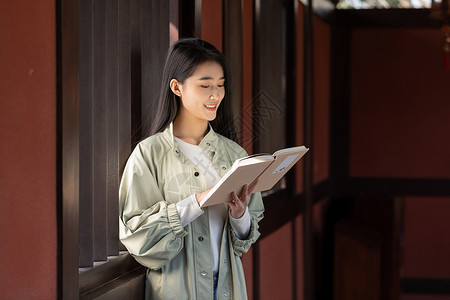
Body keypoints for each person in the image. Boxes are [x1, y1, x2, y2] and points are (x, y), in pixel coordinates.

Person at [119, 38, 264, 300]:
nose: (216, 94)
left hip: (228, 289)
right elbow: (137, 236)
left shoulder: (235, 154)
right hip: (175, 291)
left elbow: (244, 242)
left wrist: (240, 216)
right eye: (205, 85)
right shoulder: (148, 154)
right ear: (176, 87)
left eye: (220, 85)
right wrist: (196, 202)